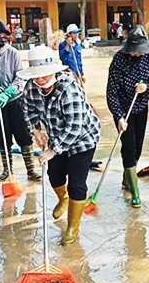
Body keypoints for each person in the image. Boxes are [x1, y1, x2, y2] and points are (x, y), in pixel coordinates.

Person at [20, 45, 101, 245]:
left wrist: (52, 150)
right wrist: (37, 129)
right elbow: (27, 110)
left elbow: (75, 127)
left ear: (53, 71)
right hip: (55, 134)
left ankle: (73, 227)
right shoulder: (31, 87)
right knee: (54, 174)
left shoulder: (69, 89)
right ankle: (63, 198)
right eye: (36, 75)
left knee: (77, 183)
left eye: (43, 75)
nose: (39, 79)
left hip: (83, 138)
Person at [0, 20, 42, 181]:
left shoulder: (13, 53)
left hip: (16, 101)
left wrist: (10, 91)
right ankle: (7, 171)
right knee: (2, 136)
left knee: (24, 135)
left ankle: (30, 170)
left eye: (4, 35)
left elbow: (21, 77)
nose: (2, 38)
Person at [106, 25, 149, 208]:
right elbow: (111, 92)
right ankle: (135, 192)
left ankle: (126, 178)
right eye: (134, 52)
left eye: (139, 52)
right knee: (128, 145)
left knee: (138, 146)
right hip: (122, 110)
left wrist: (146, 88)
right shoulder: (118, 60)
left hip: (141, 107)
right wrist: (119, 117)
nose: (137, 54)